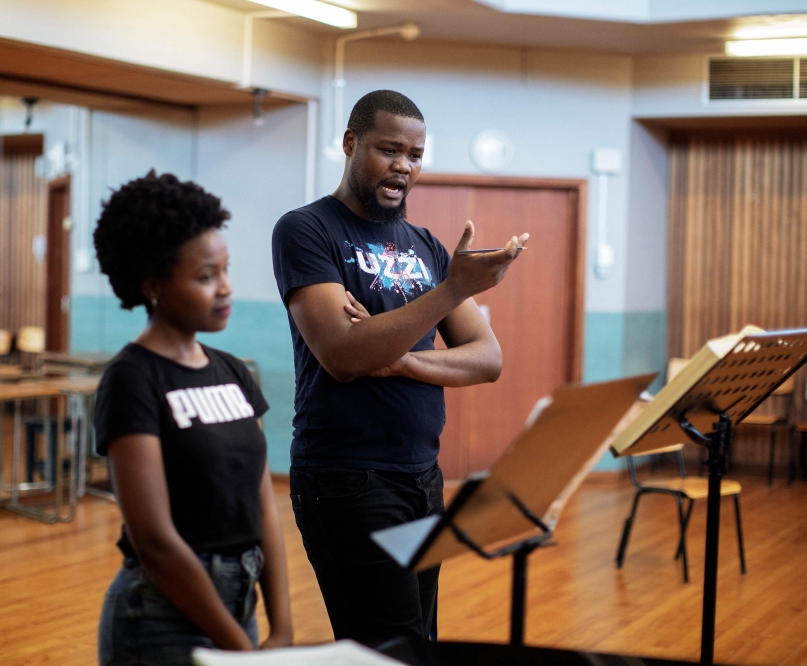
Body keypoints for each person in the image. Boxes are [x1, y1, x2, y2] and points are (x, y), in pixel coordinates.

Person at [271, 90, 521, 644]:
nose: (403, 167)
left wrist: (402, 359)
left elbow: (487, 358)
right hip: (346, 477)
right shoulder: (307, 230)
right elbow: (342, 355)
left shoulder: (426, 246)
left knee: (418, 643)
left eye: (415, 155)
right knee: (389, 647)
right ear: (350, 143)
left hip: (421, 476)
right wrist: (451, 290)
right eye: (389, 150)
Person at [93, 171, 293, 664]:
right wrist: (237, 646)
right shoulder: (132, 379)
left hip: (238, 605)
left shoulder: (233, 372)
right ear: (154, 286)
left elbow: (263, 502)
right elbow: (155, 541)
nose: (225, 288)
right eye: (205, 277)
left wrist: (282, 625)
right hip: (159, 617)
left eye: (225, 270)